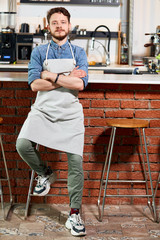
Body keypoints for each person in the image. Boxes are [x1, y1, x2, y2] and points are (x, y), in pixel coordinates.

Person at [16, 7, 88, 237]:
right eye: (55, 22)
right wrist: (66, 78)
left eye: (63, 22)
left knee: (76, 162)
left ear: (69, 25)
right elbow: (34, 85)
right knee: (22, 144)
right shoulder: (38, 52)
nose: (59, 26)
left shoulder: (79, 52)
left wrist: (52, 76)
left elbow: (80, 86)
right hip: (43, 110)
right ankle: (45, 172)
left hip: (70, 113)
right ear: (48, 26)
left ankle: (74, 214)